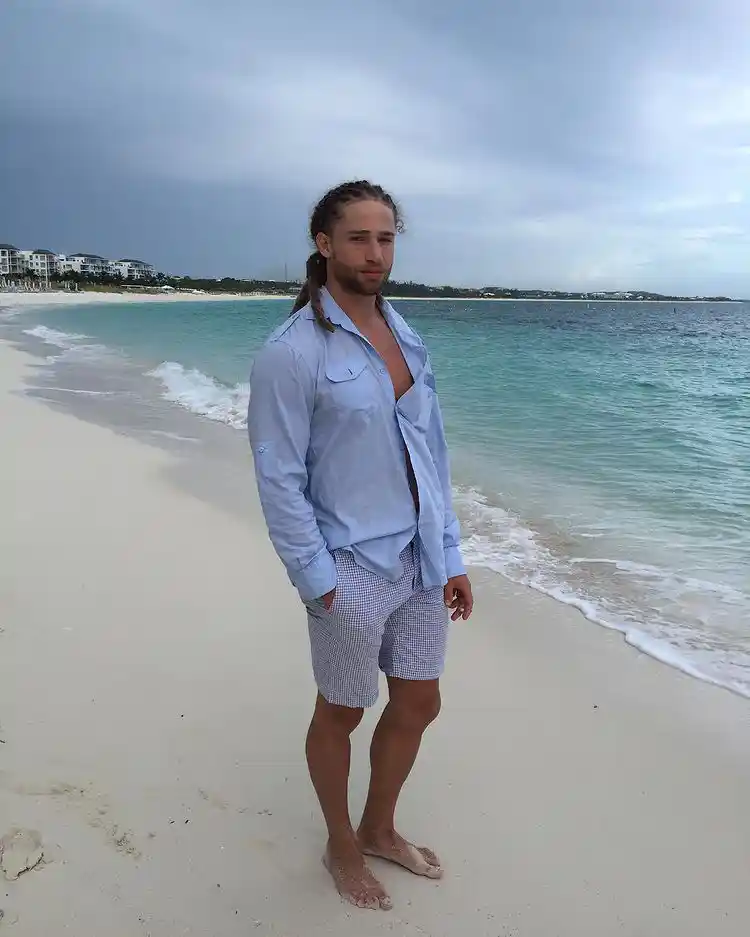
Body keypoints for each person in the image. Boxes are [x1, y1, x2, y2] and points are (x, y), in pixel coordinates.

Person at [247, 180, 473, 911]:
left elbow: (430, 454)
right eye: (358, 238)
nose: (375, 254)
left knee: (419, 701)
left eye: (386, 238)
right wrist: (316, 579)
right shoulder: (291, 352)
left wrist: (453, 552)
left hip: (418, 561)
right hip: (348, 567)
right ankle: (340, 842)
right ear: (324, 244)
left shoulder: (405, 332)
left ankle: (379, 826)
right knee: (341, 711)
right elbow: (278, 477)